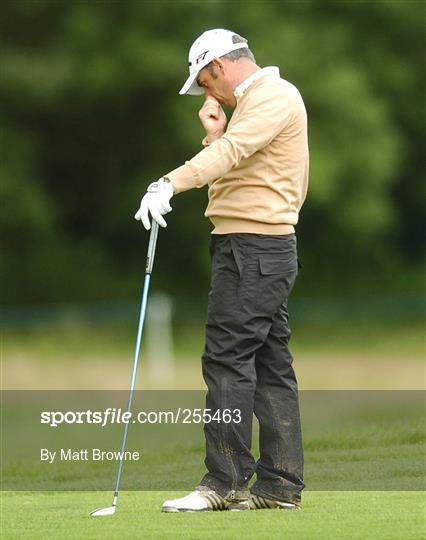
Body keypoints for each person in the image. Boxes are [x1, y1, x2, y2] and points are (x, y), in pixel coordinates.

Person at [135, 28, 309, 512]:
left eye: (206, 82)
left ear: (220, 66)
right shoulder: (253, 106)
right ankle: (279, 487)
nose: (208, 92)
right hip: (252, 246)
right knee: (271, 364)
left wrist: (169, 182)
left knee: (226, 358)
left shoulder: (274, 96)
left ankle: (224, 482)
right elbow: (235, 159)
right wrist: (215, 131)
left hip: (254, 248)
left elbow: (230, 156)